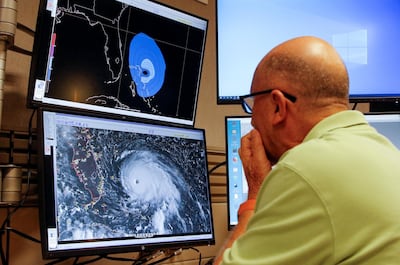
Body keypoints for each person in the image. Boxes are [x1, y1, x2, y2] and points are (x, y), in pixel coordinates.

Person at [214, 36, 400, 264]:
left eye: (252, 103)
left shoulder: (302, 169)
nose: (252, 120)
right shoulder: (387, 152)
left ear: (277, 106)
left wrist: (255, 194)